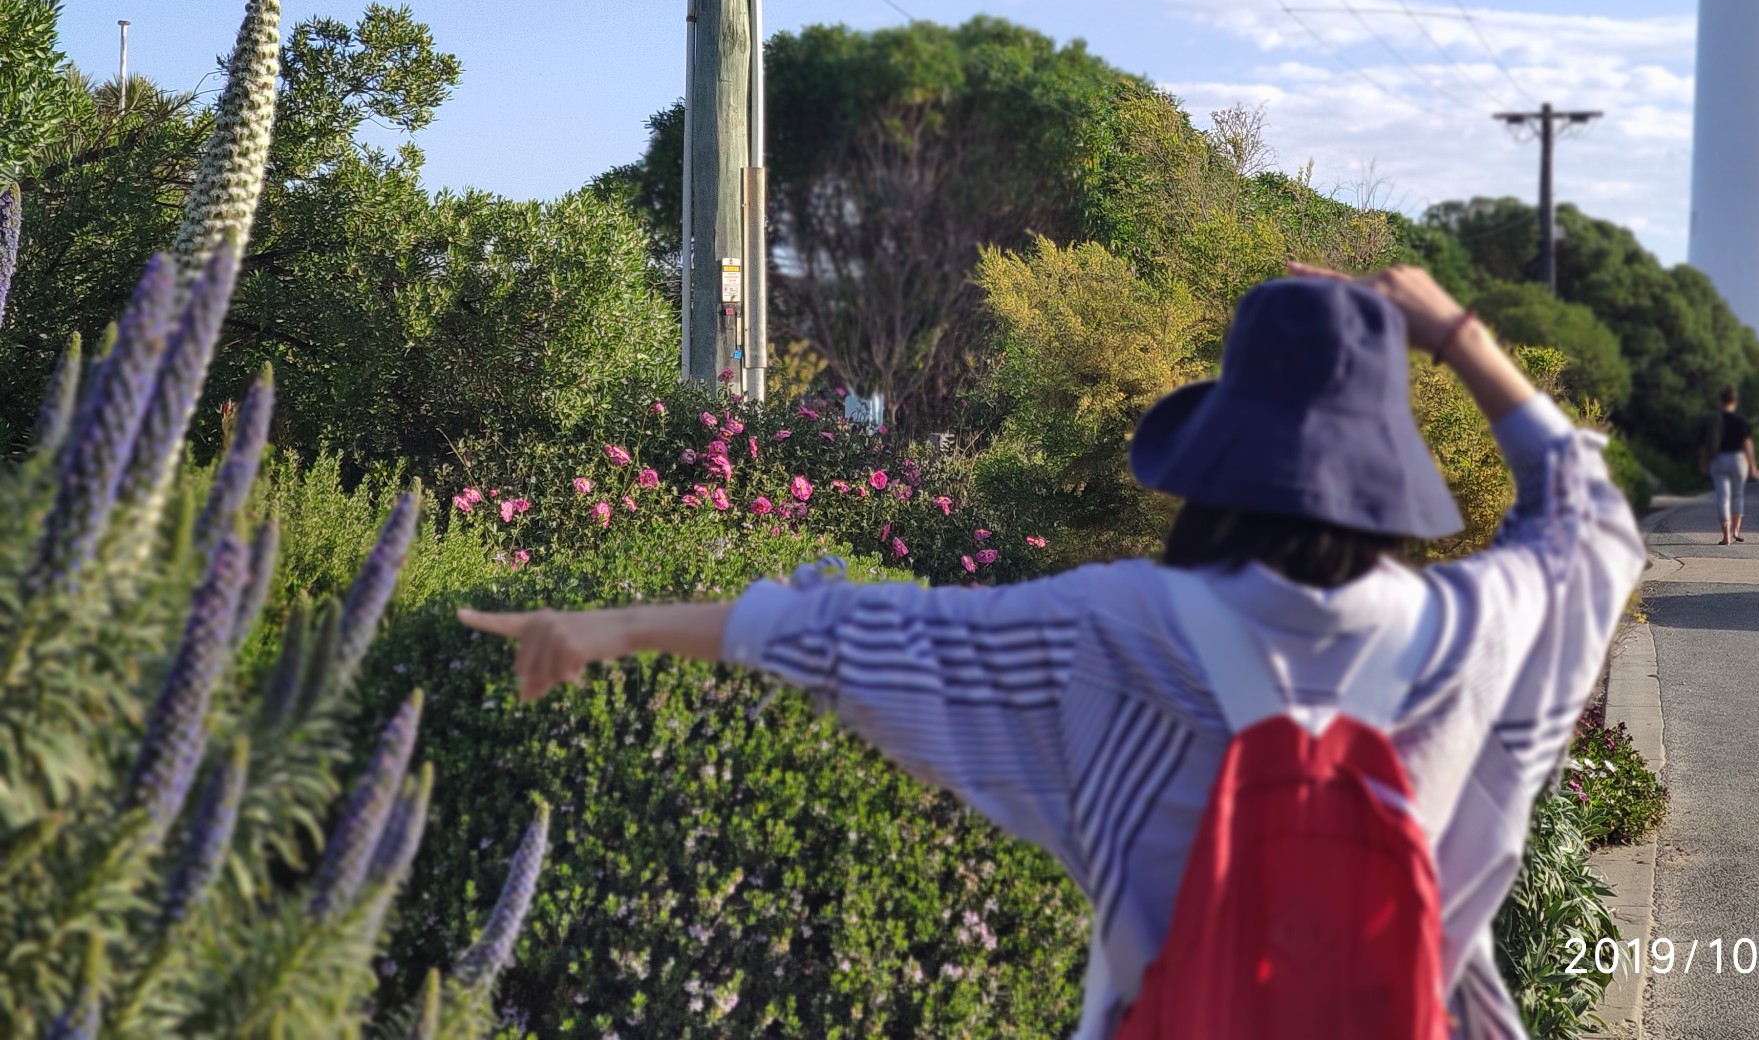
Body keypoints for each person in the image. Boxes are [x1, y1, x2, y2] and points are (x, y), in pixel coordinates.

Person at [460, 266, 1647, 1039]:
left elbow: (850, 633)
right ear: (1385, 468)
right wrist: (1455, 337)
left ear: (1219, 457)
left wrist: (609, 627)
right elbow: (1588, 521)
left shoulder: (1114, 627)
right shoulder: (1482, 628)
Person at [1697, 383, 1759, 546]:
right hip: (1738, 459)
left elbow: (1704, 444)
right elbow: (1747, 444)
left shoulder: (1712, 419)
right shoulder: (1740, 420)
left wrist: (1703, 463)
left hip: (1718, 459)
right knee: (1738, 495)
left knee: (1722, 498)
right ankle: (1736, 531)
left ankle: (1726, 536)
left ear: (1721, 400)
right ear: (1734, 400)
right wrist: (1752, 465)